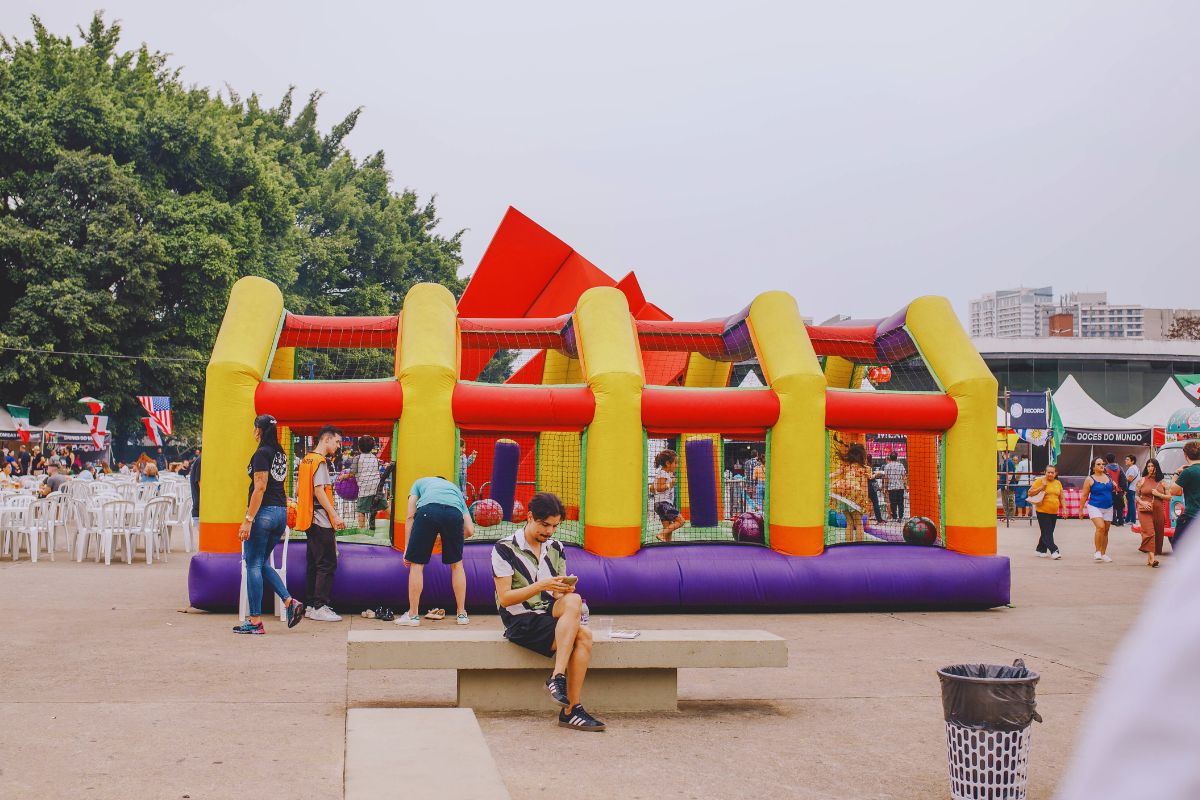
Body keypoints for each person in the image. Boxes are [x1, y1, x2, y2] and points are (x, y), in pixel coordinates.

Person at [491, 492, 605, 732]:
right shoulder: (504, 548)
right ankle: (570, 708)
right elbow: (505, 598)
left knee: (573, 599)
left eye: (555, 526)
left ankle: (558, 680)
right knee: (583, 636)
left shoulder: (556, 547)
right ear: (530, 517)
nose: (550, 531)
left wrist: (564, 589)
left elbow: (557, 598)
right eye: (545, 525)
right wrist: (541, 585)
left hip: (547, 613)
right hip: (519, 619)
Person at [234, 414, 305, 635]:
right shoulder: (280, 453)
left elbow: (261, 487)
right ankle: (289, 602)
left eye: (254, 428)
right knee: (261, 562)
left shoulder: (262, 454)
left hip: (263, 514)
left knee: (252, 564)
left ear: (259, 430)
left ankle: (255, 622)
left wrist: (248, 519)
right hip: (280, 513)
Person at [396, 475, 475, 627]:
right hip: (453, 514)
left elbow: (410, 516)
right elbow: (470, 530)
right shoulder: (455, 491)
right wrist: (449, 539)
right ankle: (462, 614)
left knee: (417, 564)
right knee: (457, 565)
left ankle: (412, 615)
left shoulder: (419, 482)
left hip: (428, 511)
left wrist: (407, 547)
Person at [302, 425, 347, 622]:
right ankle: (320, 605)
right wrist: (334, 515)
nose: (338, 446)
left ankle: (311, 605)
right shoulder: (320, 462)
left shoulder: (306, 460)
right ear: (326, 439)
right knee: (327, 564)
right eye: (337, 442)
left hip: (308, 519)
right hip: (321, 519)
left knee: (314, 563)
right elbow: (319, 491)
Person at [829, 442, 871, 541]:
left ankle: (849, 544)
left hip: (841, 491)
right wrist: (865, 501)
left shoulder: (846, 467)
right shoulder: (865, 468)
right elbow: (864, 485)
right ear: (862, 455)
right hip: (855, 493)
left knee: (849, 522)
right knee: (859, 523)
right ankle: (859, 546)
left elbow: (833, 474)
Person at [1134, 458, 1171, 568]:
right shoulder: (1142, 480)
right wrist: (1142, 502)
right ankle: (1153, 559)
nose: (1150, 468)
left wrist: (1159, 495)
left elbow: (1169, 497)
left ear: (1157, 467)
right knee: (1149, 532)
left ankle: (1150, 559)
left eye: (1152, 466)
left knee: (1158, 534)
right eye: (1148, 466)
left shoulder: (1163, 482)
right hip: (1144, 510)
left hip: (1158, 510)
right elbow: (1136, 495)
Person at [1080, 457, 1116, 562]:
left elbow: (1113, 489)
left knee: (1106, 530)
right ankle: (1097, 551)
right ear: (1093, 467)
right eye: (1098, 464)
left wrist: (1115, 486)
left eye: (1103, 464)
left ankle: (1104, 553)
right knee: (1101, 527)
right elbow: (1084, 495)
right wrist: (1081, 510)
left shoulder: (1108, 477)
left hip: (1109, 506)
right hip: (1095, 506)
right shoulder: (1089, 479)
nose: (1101, 466)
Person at [1168, 440, 1200, 548]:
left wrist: (1176, 473)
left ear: (1185, 455)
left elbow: (1173, 490)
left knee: (1177, 544)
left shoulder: (1188, 472)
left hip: (1191, 515)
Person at [349, 435, 383, 530]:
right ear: (372, 447)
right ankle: (395, 525)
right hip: (377, 488)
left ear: (359, 447)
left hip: (365, 489)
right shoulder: (375, 458)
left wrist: (343, 477)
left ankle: (362, 530)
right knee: (385, 506)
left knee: (361, 510)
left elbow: (352, 473)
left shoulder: (357, 458)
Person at [649, 449, 684, 542]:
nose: (677, 465)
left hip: (661, 504)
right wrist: (670, 485)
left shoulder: (665, 473)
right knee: (681, 521)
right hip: (664, 504)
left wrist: (671, 478)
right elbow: (659, 488)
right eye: (675, 463)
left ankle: (668, 544)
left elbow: (652, 488)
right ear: (668, 463)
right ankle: (661, 534)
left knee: (668, 528)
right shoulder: (663, 473)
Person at [1030, 464, 1064, 558]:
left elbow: (1061, 497)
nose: (1050, 474)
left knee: (1047, 531)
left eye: (1052, 472)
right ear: (1045, 472)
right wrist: (1041, 487)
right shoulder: (1039, 481)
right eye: (1048, 472)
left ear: (1055, 473)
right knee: (1048, 532)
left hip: (1054, 511)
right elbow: (1030, 492)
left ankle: (1040, 549)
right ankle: (1054, 550)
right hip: (1042, 510)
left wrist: (1064, 509)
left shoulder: (1058, 483)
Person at [1104, 453, 1127, 528]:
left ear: (1107, 460)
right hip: (1119, 490)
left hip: (1110, 490)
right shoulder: (1119, 467)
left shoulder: (1106, 468)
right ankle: (1121, 521)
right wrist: (1124, 489)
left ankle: (1114, 521)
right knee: (1120, 506)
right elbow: (1124, 478)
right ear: (1114, 459)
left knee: (1112, 506)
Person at [882, 451, 908, 522]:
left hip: (891, 488)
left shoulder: (887, 466)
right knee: (901, 503)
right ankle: (900, 517)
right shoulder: (901, 465)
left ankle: (894, 517)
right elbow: (904, 477)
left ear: (890, 458)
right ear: (897, 458)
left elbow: (886, 478)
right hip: (900, 487)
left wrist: (885, 487)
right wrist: (906, 486)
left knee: (893, 503)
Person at [998, 452, 1017, 520]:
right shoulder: (1007, 461)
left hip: (1007, 485)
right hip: (1004, 484)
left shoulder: (1009, 461)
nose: (1002, 454)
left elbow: (1011, 473)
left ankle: (1010, 517)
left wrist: (1007, 483)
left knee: (1009, 500)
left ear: (1004, 453)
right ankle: (1007, 516)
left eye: (1002, 453)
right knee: (1005, 501)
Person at [1123, 455, 1140, 525]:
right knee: (1130, 504)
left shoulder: (1132, 468)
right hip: (1133, 488)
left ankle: (1132, 520)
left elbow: (1130, 478)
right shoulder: (1136, 468)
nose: (1125, 461)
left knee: (1131, 504)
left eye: (1127, 459)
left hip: (1130, 488)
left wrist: (1123, 479)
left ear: (1132, 461)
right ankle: (1127, 519)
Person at [1014, 452, 1032, 518]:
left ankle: (1020, 514)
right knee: (1028, 498)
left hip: (1022, 483)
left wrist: (1016, 479)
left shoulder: (1021, 463)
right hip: (1030, 483)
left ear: (1022, 458)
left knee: (1020, 498)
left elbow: (1019, 473)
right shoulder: (1031, 463)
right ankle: (1026, 515)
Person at [189, 449, 202, 528]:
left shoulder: (200, 460)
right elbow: (201, 485)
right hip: (199, 512)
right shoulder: (201, 461)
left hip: (199, 510)